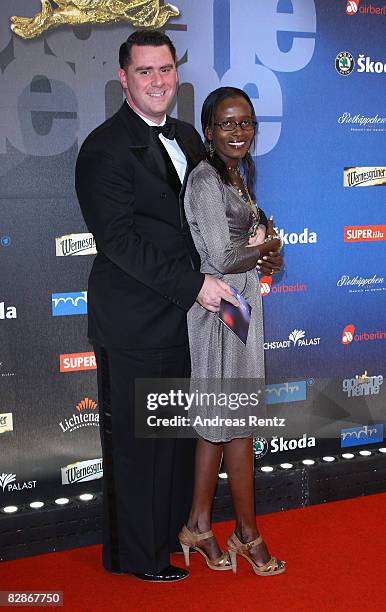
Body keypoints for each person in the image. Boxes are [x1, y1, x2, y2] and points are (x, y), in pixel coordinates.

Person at [75, 31, 240, 582]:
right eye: (144, 71)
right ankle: (136, 558)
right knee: (136, 445)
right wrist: (196, 285)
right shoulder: (102, 148)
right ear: (123, 78)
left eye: (165, 69)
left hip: (182, 320)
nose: (157, 81)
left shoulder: (190, 137)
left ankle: (159, 541)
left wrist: (250, 250)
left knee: (169, 442)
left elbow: (208, 218)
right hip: (133, 320)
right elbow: (121, 243)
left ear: (176, 73)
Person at [179, 87, 286, 576]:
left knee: (228, 426)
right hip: (221, 310)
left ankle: (204, 526)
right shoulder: (204, 180)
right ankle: (242, 533)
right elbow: (220, 258)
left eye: (245, 123)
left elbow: (248, 246)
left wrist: (271, 253)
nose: (238, 131)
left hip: (240, 306)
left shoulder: (236, 175)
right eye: (227, 123)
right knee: (228, 426)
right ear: (208, 130)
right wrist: (265, 248)